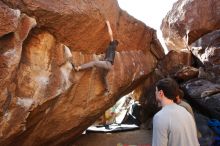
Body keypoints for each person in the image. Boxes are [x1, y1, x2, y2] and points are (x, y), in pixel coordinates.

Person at [74, 20, 119, 93]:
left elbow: (111, 34)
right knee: (103, 76)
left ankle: (78, 68)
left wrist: (108, 24)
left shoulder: (113, 45)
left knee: (94, 63)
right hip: (109, 66)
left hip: (107, 64)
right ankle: (107, 89)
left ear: (114, 43)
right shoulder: (112, 50)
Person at [152, 78, 199, 146]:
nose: (155, 93)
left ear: (161, 93)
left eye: (156, 90)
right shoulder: (185, 112)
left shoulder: (160, 117)